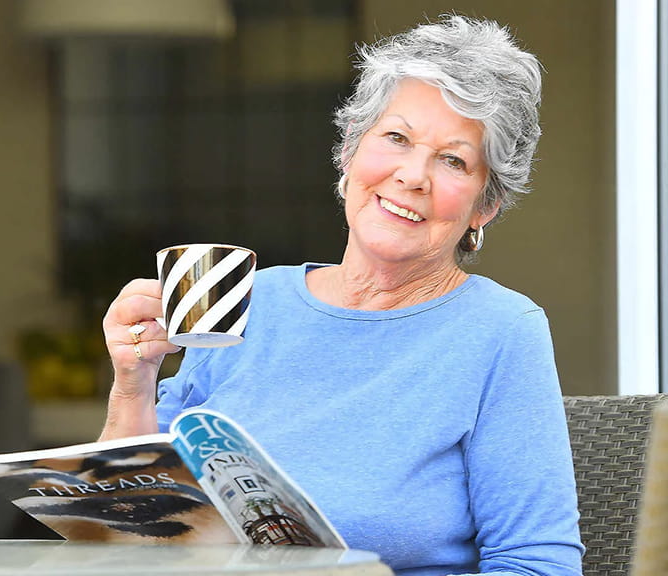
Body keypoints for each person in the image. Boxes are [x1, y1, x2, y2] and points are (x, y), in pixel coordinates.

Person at [98, 14, 584, 576]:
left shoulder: (501, 331)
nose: (412, 175)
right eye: (396, 138)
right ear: (352, 151)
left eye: (453, 160)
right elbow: (124, 529)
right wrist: (133, 386)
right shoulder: (243, 298)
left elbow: (537, 564)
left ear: (485, 205)